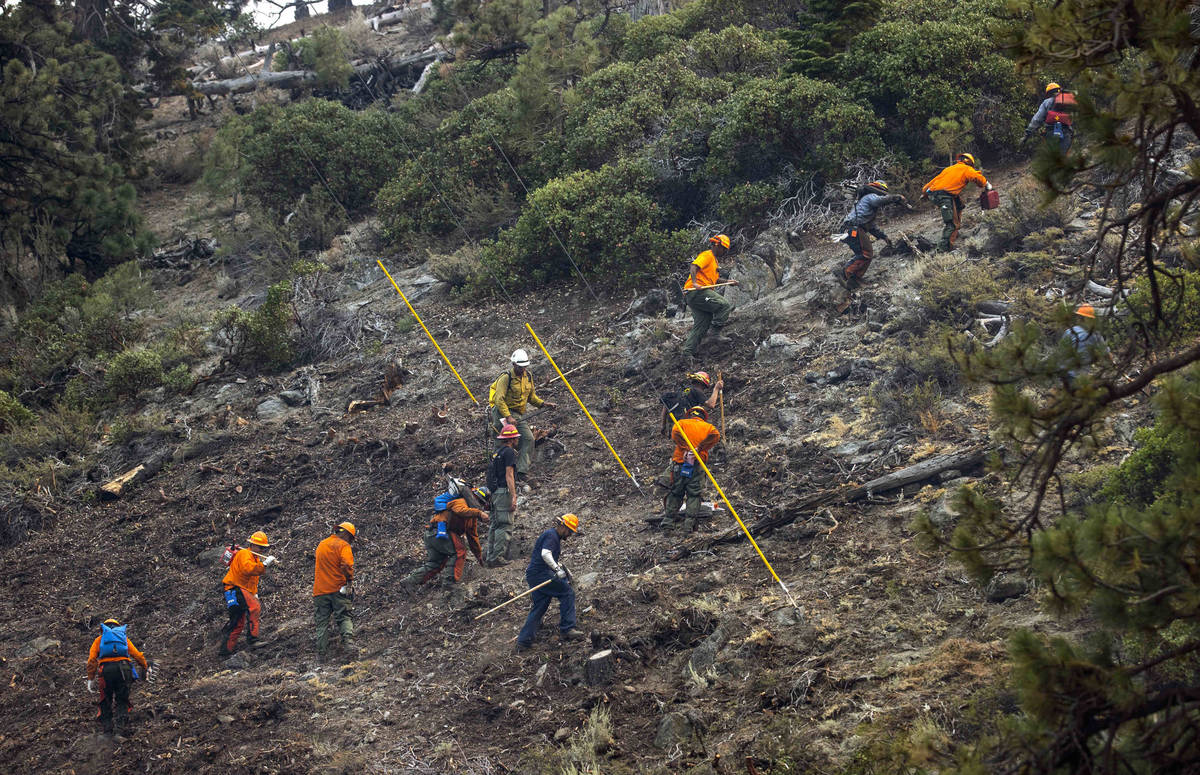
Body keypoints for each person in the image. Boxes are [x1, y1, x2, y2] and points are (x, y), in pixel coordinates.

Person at [516, 514, 586, 652]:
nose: (570, 535)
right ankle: (567, 628)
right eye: (569, 531)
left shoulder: (552, 536)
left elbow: (546, 557)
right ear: (563, 526)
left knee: (540, 605)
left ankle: (524, 641)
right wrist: (557, 569)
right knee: (567, 592)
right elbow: (545, 554)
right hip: (540, 574)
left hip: (534, 574)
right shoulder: (552, 536)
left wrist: (561, 567)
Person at [489, 349, 556, 483]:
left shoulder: (528, 376)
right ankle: (497, 475)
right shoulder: (505, 377)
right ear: (514, 365)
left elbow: (531, 397)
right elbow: (499, 399)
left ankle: (521, 472)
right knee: (501, 442)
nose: (523, 369)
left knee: (528, 439)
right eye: (520, 367)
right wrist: (508, 417)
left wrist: (543, 404)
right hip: (501, 412)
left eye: (525, 366)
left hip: (517, 414)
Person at [404, 485, 489, 588]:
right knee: (460, 551)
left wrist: (479, 557)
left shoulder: (472, 517)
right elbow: (460, 510)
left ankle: (409, 582)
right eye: (478, 501)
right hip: (440, 532)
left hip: (433, 535)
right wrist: (479, 513)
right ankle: (449, 583)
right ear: (474, 497)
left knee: (436, 563)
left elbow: (473, 537)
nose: (478, 504)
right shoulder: (461, 502)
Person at [833, 181, 907, 291]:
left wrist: (884, 237)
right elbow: (880, 200)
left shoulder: (866, 206)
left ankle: (853, 279)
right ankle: (845, 273)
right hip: (854, 228)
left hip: (850, 228)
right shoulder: (870, 196)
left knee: (863, 254)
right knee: (865, 254)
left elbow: (871, 227)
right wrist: (896, 197)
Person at [86, 618, 153, 738]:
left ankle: (107, 731)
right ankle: (119, 730)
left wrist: (90, 678)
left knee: (105, 700)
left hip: (106, 671)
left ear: (103, 629)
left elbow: (92, 660)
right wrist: (145, 666)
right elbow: (137, 655)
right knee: (122, 700)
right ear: (117, 627)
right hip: (124, 670)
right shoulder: (124, 639)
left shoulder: (99, 640)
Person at [660, 406, 721, 532]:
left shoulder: (681, 423)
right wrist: (699, 448)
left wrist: (687, 448)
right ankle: (688, 526)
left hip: (679, 464)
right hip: (697, 466)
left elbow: (675, 433)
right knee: (694, 495)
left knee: (676, 493)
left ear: (690, 414)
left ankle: (668, 524)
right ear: (704, 416)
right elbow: (716, 435)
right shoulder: (708, 427)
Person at [219, 531, 277, 657]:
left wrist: (254, 593)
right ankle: (253, 640)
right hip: (235, 588)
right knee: (254, 607)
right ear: (253, 545)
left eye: (263, 548)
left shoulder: (254, 557)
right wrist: (265, 564)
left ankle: (225, 651)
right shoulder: (245, 553)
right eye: (260, 547)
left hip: (233, 590)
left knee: (237, 621)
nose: (262, 550)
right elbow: (248, 569)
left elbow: (251, 580)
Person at [922, 153, 993, 252]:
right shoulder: (967, 169)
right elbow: (977, 177)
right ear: (970, 163)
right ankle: (943, 250)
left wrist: (925, 192)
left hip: (936, 194)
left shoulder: (949, 169)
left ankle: (954, 233)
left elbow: (934, 181)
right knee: (951, 224)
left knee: (959, 205)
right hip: (944, 195)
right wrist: (986, 184)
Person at [682, 234, 739, 359]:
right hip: (697, 291)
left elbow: (714, 279)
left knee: (702, 324)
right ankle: (715, 333)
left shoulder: (714, 261)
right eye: (723, 249)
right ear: (717, 245)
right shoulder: (707, 255)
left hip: (693, 296)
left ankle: (687, 353)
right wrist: (695, 282)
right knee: (724, 305)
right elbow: (693, 266)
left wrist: (729, 281)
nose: (724, 252)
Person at [313, 522, 356, 660]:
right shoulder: (343, 545)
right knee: (344, 616)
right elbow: (347, 564)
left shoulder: (321, 544)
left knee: (322, 622)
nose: (351, 541)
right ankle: (349, 646)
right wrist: (349, 581)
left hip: (320, 591)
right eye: (351, 538)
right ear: (347, 534)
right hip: (338, 589)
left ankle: (321, 653)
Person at [485, 424, 520, 566]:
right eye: (516, 437)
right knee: (504, 525)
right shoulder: (509, 452)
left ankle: (490, 557)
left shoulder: (497, 453)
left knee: (495, 524)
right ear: (511, 439)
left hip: (495, 493)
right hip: (503, 492)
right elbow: (509, 474)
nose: (518, 439)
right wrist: (513, 496)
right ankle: (497, 557)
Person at [660, 371, 722, 437]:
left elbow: (665, 408)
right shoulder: (696, 391)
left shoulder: (680, 392)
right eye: (704, 387)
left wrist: (663, 427)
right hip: (686, 427)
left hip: (674, 429)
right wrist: (716, 389)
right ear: (701, 384)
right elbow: (711, 404)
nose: (703, 390)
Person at [1062, 304, 1110, 383]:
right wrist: (1114, 366)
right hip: (1077, 377)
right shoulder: (1095, 334)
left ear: (1080, 318)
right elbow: (1106, 354)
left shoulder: (1069, 331)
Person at [1024, 82, 1076, 154]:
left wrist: (1028, 132)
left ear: (1048, 93)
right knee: (1063, 156)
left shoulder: (1046, 102)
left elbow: (1037, 119)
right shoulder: (1066, 101)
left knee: (1053, 156)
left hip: (1051, 132)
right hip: (1066, 132)